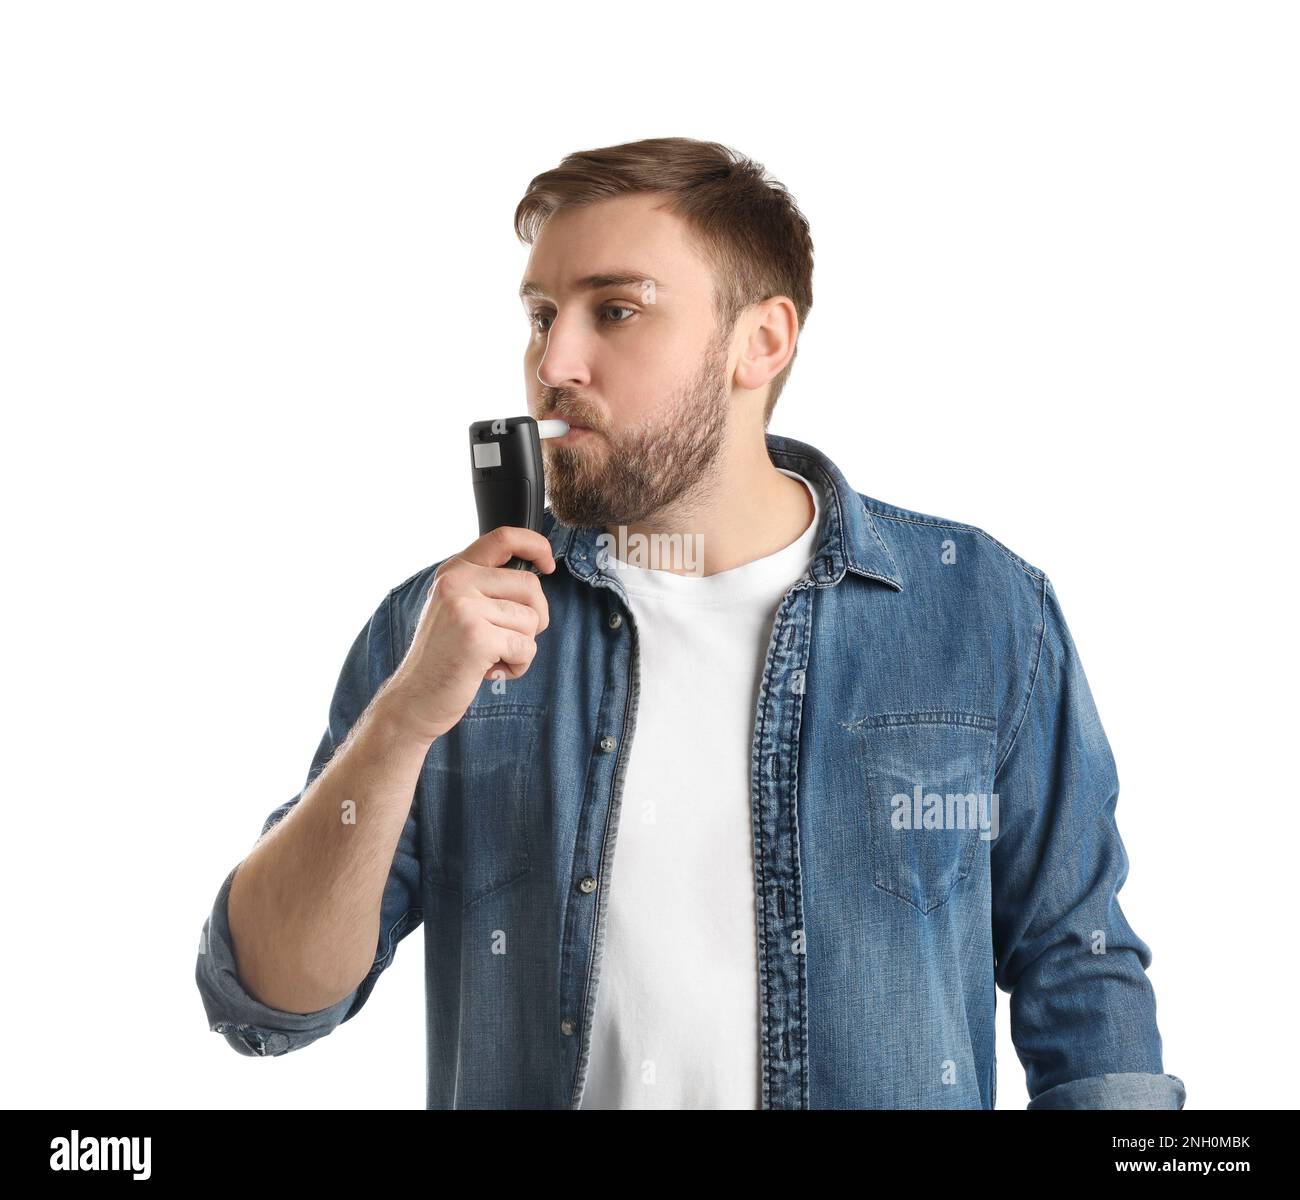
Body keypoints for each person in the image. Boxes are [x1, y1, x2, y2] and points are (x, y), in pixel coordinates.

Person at [196, 136, 1185, 1110]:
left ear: (763, 342)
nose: (554, 362)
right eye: (540, 317)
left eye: (615, 310)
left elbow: (1079, 968)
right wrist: (406, 718)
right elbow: (272, 996)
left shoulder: (977, 610)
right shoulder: (440, 632)